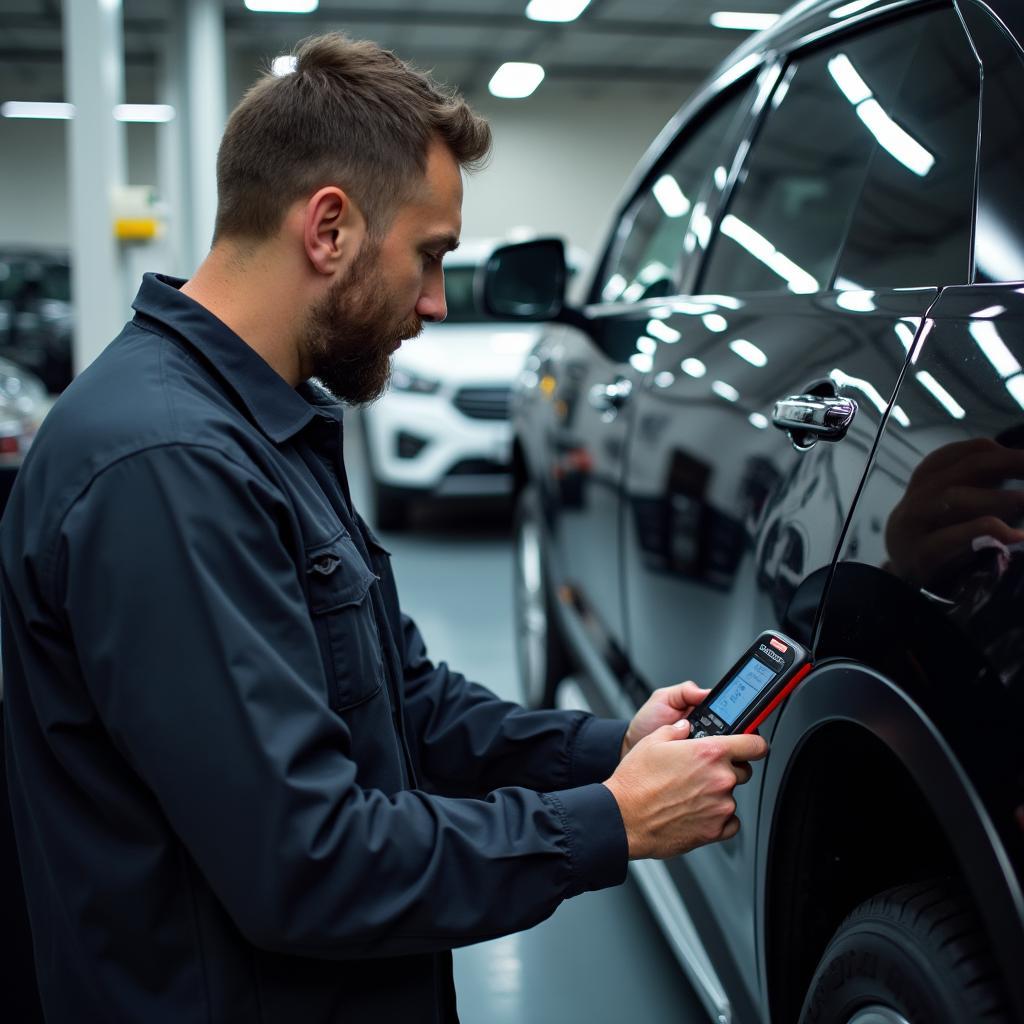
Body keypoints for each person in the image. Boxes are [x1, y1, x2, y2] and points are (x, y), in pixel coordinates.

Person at [0, 33, 767, 1024]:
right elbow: (304, 862)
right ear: (328, 228)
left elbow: (402, 702)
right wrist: (608, 823)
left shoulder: (257, 425)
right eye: (430, 256)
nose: (438, 303)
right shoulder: (167, 468)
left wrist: (603, 747)